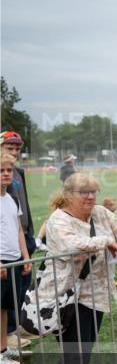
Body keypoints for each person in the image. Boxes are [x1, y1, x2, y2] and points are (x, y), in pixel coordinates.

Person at [26, 173, 117, 364]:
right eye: (84, 192)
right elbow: (72, 246)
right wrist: (106, 241)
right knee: (75, 354)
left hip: (97, 294)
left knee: (83, 352)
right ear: (68, 195)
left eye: (93, 191)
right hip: (67, 295)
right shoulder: (58, 219)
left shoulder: (99, 212)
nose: (91, 197)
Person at [1, 131, 36, 346]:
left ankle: (17, 328)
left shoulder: (18, 172)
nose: (13, 152)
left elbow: (20, 208)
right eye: (9, 147)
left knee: (19, 288)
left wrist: (28, 234)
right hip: (5, 245)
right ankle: (9, 334)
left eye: (17, 148)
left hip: (21, 237)